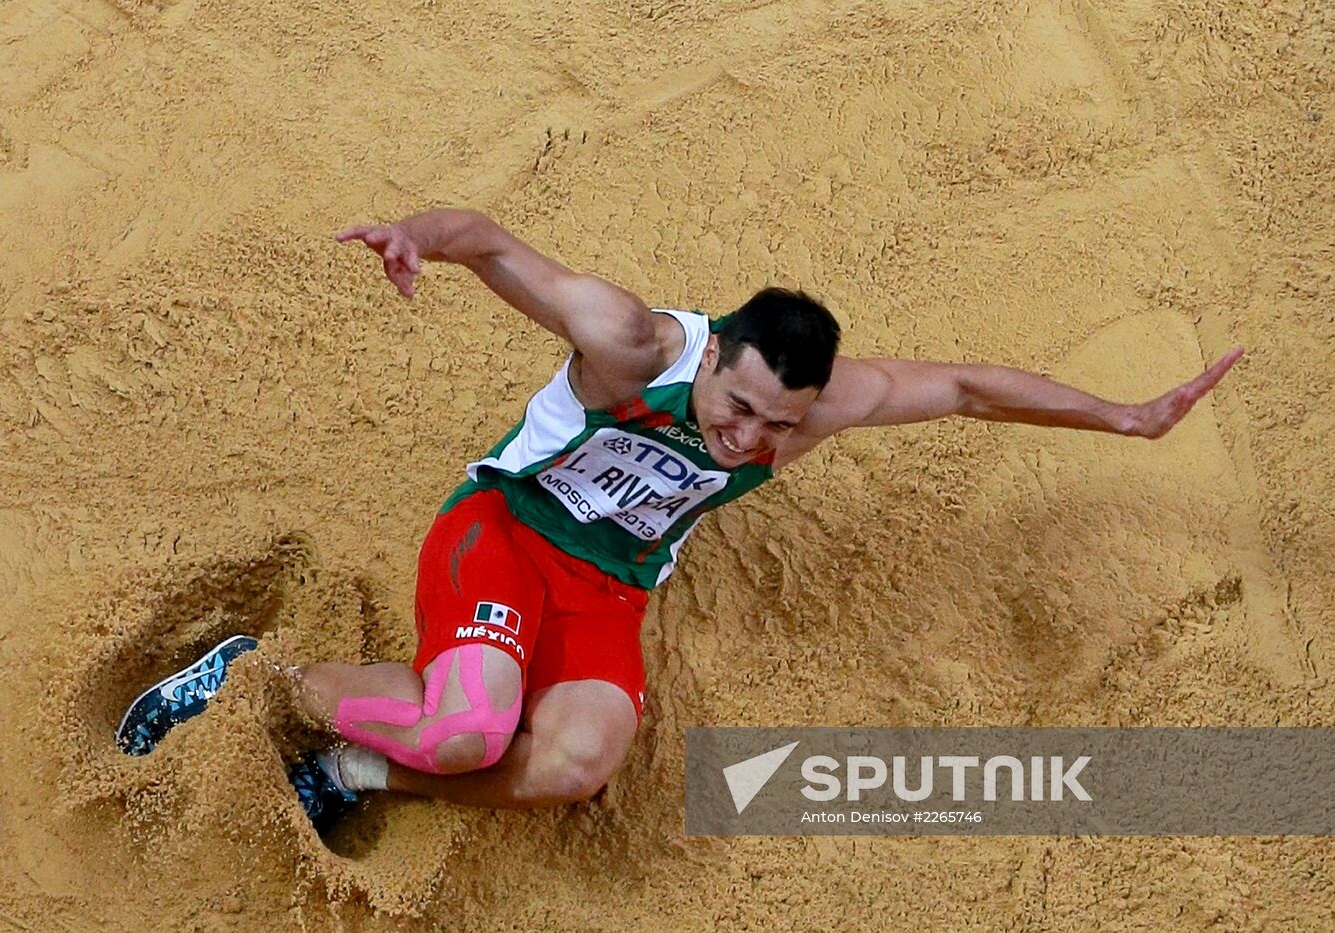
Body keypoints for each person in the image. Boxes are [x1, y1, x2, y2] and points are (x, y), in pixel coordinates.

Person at [118, 208, 1243, 826]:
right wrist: (417, 237)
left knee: (571, 768)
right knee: (471, 731)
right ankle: (252, 677)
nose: (747, 440)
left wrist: (1124, 420)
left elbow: (967, 388)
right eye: (736, 407)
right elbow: (494, 244)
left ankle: (350, 776)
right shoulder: (632, 343)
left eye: (774, 425)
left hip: (608, 594)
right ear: (713, 357)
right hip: (504, 538)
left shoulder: (814, 407)